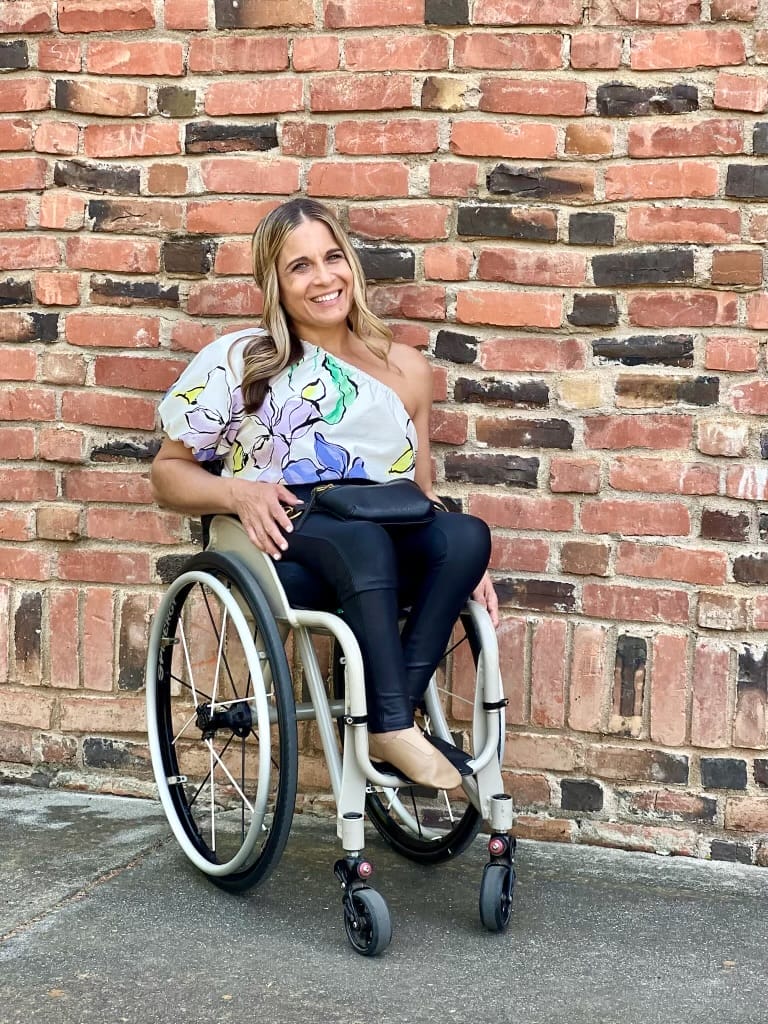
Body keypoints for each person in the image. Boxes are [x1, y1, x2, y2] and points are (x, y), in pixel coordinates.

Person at [151, 197, 499, 791]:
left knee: (467, 535)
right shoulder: (241, 361)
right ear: (275, 284)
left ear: (351, 265)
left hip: (382, 522)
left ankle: (389, 721)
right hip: (289, 529)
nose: (323, 278)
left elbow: (419, 491)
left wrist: (464, 562)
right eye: (300, 266)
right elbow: (167, 473)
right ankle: (393, 724)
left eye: (332, 258)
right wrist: (238, 493)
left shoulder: (406, 368)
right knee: (364, 544)